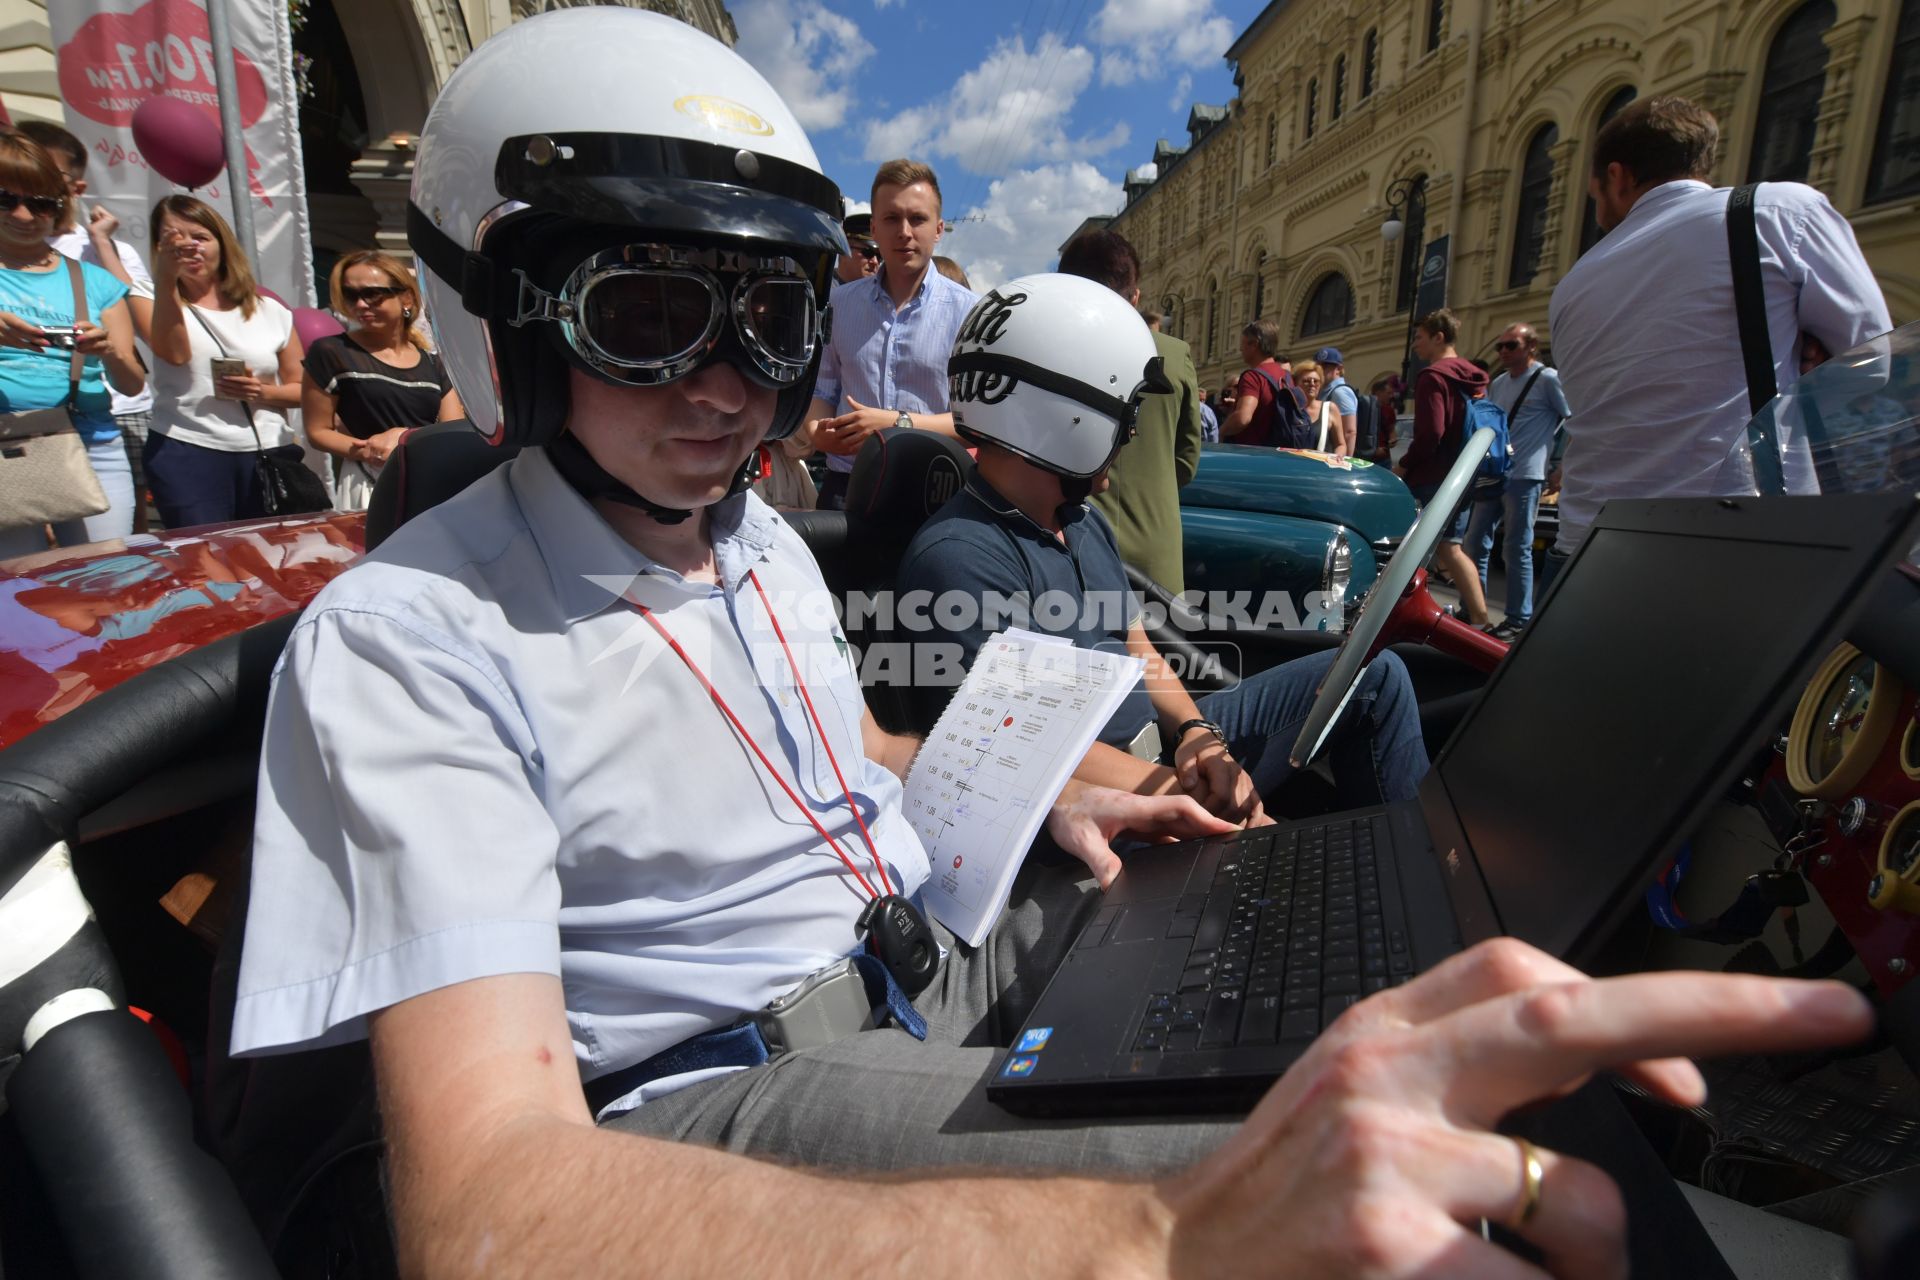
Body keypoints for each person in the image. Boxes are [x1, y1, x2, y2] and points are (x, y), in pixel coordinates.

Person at [229, 17, 1882, 1278]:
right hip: (713, 1081)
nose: (728, 388)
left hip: (928, 954)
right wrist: (1164, 1237)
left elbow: (819, 747)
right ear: (500, 307)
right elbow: (492, 1202)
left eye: (772, 318)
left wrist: (1060, 790)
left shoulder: (752, 555)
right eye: (650, 315)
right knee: (1395, 1166)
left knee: (1414, 983)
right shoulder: (407, 639)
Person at [898, 274, 1429, 822]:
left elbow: (1139, 648)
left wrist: (1198, 734)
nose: (1130, 433)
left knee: (1376, 678)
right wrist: (1194, 797)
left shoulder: (1081, 520)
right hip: (1094, 809)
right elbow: (1020, 755)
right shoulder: (960, 559)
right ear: (1062, 414)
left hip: (1159, 757)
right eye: (1122, 411)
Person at [1546, 95, 1890, 592]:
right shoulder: (1777, 213)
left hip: (1589, 545)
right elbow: (1871, 363)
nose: (1601, 216)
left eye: (1595, 197)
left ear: (1618, 177)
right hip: (1739, 541)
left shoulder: (1574, 283)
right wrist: (1799, 365)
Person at [0, 130, 146, 559]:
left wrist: (108, 351)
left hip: (91, 443)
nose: (25, 215)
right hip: (7, 445)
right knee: (17, 588)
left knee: (105, 577)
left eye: (42, 203)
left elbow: (133, 383)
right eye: (6, 200)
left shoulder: (95, 279)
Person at [806, 159, 978, 509]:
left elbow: (974, 422)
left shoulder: (968, 312)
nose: (904, 231)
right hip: (846, 489)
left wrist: (896, 425)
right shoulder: (839, 304)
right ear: (875, 227)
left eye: (917, 219)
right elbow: (822, 390)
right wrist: (817, 431)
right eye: (891, 218)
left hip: (934, 493)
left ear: (939, 228)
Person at [143, 195, 306, 528]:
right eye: (173, 240)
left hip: (266, 452)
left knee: (272, 559)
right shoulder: (149, 295)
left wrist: (260, 392)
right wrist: (165, 279)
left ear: (222, 243)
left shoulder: (270, 310)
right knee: (204, 562)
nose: (188, 247)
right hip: (189, 447)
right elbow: (174, 353)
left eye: (200, 237)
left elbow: (304, 389)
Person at [1060, 228, 1202, 595]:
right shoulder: (1173, 354)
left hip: (1072, 546)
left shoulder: (1051, 351)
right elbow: (1185, 463)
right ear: (1135, 297)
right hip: (1156, 556)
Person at [300, 250, 462, 511]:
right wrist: (367, 451)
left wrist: (405, 438)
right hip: (366, 481)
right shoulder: (331, 352)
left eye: (373, 294)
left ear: (406, 297)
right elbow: (317, 431)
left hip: (426, 478)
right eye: (350, 295)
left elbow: (453, 431)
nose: (361, 305)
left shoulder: (433, 363)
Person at [1464, 323, 1570, 640]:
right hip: (1497, 472)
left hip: (1527, 474)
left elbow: (1572, 418)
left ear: (1531, 347)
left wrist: (1560, 465)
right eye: (1500, 346)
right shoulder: (1498, 382)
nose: (1503, 352)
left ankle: (1518, 618)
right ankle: (1475, 609)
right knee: (1474, 542)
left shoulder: (1547, 379)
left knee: (1516, 546)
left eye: (1511, 345)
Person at [1397, 308, 1492, 628]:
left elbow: (1431, 433)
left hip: (1432, 477)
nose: (1415, 345)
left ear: (1439, 337)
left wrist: (1405, 464)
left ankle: (1405, 614)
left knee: (1410, 547)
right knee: (1451, 547)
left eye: (1420, 338)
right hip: (1464, 474)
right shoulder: (1474, 378)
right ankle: (1480, 619)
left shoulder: (1434, 377)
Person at [1221, 319, 1309, 448]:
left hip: (1253, 455)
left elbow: (1243, 418)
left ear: (1254, 344)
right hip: (1281, 453)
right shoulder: (1286, 376)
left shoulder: (1253, 377)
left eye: (1243, 344)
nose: (1241, 349)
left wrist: (1221, 431)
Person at [1312, 346, 1359, 456]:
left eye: (1325, 366)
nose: (1320, 370)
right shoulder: (1325, 391)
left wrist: (1345, 462)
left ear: (1338, 369)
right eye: (1317, 366)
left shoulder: (1340, 392)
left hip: (1335, 459)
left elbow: (1350, 432)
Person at [1295, 358, 1341, 452]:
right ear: (1296, 383)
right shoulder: (1289, 409)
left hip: (1320, 465)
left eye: (1316, 381)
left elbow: (1340, 444)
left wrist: (1336, 458)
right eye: (1306, 381)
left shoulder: (1330, 408)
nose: (1312, 384)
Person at [833, 205, 878, 287]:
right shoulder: (819, 291)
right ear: (844, 249)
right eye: (868, 252)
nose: (875, 261)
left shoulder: (879, 296)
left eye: (879, 256)